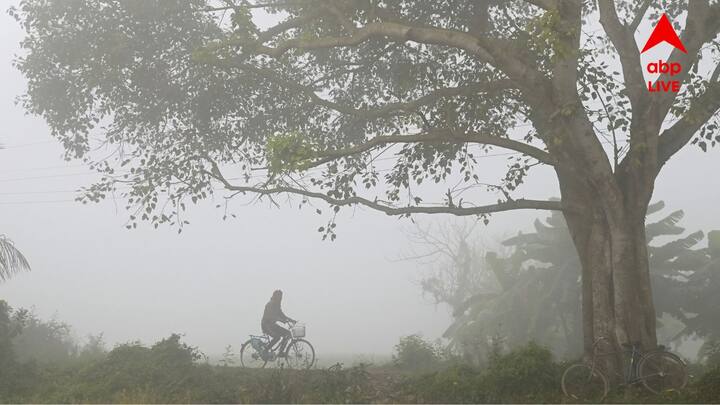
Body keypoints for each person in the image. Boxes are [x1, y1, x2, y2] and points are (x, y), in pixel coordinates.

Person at [261, 290, 296, 355]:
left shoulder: (277, 305)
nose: (281, 298)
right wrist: (282, 320)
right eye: (280, 297)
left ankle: (280, 352)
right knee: (277, 337)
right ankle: (265, 351)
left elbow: (282, 315)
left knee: (288, 334)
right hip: (266, 325)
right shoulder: (270, 304)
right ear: (276, 296)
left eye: (281, 297)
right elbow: (272, 317)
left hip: (272, 325)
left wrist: (291, 320)